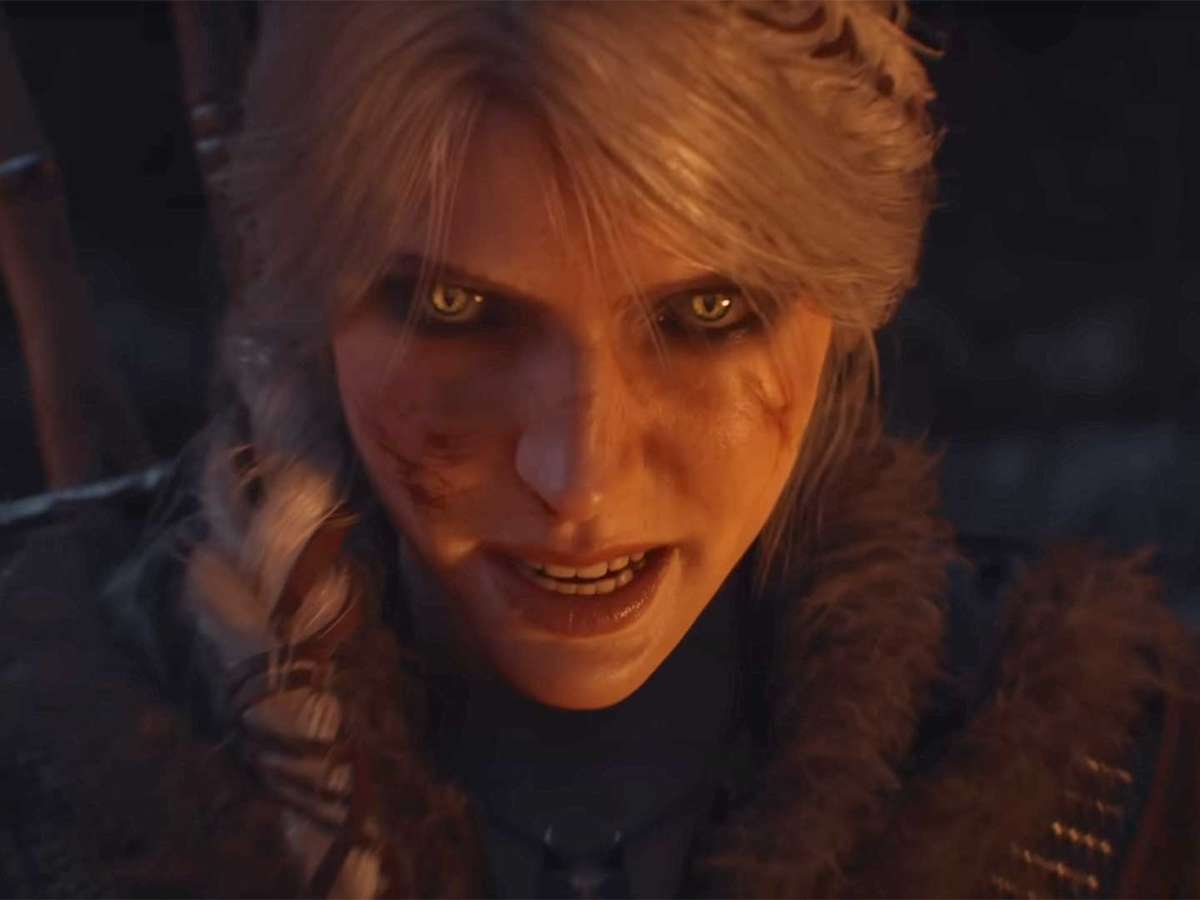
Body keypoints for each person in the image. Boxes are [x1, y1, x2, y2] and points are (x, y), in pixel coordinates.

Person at [1, 2, 1196, 897]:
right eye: (459, 312)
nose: (579, 479)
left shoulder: (1120, 788)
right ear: (312, 312)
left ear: (841, 305)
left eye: (706, 314)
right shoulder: (53, 792)